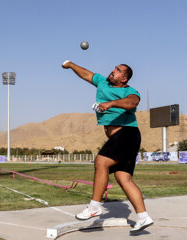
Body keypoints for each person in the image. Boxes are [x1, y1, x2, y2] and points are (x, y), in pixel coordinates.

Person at [62, 60, 153, 233]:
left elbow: (132, 103)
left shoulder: (129, 91)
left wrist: (110, 104)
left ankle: (94, 207)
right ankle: (143, 217)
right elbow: (87, 74)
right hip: (124, 138)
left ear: (124, 79)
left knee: (101, 162)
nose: (112, 71)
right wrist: (71, 65)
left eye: (117, 70)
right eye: (114, 68)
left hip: (126, 134)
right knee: (123, 178)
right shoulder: (103, 82)